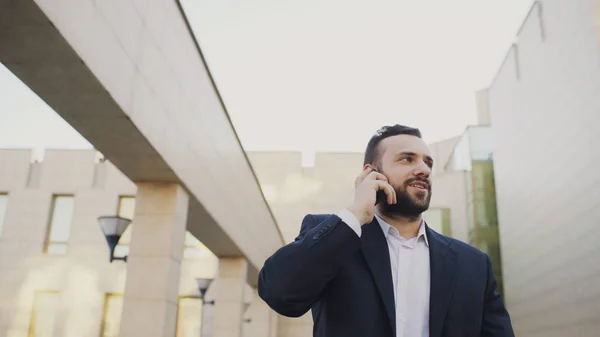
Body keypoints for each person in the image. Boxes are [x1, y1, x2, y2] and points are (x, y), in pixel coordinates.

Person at [257, 124, 515, 337]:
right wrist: (356, 214)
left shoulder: (473, 264)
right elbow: (279, 294)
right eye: (407, 159)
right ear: (372, 173)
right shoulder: (336, 238)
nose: (423, 169)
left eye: (428, 163)